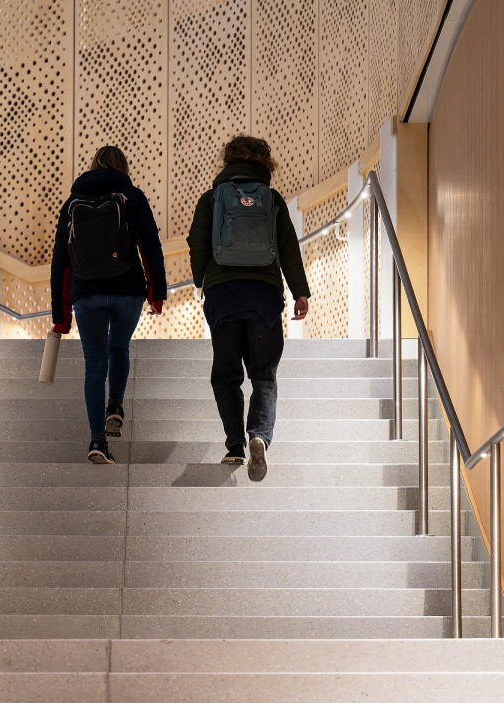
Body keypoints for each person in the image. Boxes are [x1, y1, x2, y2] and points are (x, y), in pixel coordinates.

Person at [186, 136, 310, 482]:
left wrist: (203, 279)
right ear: (264, 163)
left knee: (226, 375)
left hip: (224, 296)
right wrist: (300, 292)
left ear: (227, 160)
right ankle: (259, 435)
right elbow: (288, 248)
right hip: (264, 297)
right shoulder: (271, 199)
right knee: (264, 374)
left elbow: (197, 243)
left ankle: (235, 446)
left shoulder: (212, 198)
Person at [50, 146, 167, 464]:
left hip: (86, 294)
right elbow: (150, 245)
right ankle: (115, 406)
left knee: (94, 365)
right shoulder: (133, 197)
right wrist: (157, 292)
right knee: (119, 347)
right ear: (123, 167)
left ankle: (97, 441)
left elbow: (61, 260)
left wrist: (60, 317)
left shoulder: (72, 203)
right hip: (127, 291)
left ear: (92, 166)